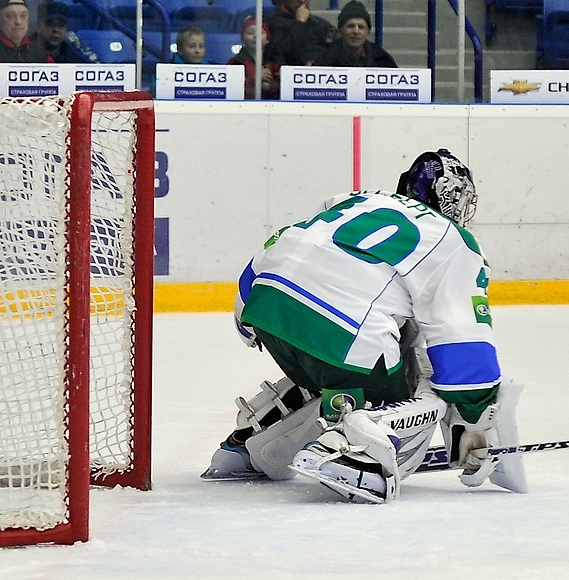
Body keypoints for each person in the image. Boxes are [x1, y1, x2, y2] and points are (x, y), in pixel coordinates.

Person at [201, 149, 527, 503]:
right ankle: (356, 446)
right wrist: (476, 418)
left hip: (266, 308)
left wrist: (252, 321)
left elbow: (286, 246)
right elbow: (460, 337)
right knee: (416, 367)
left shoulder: (355, 202)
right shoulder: (451, 240)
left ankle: (253, 445)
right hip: (343, 329)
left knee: (339, 371)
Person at [313, 0, 397, 67]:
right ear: (340, 31)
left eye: (361, 27)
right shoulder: (325, 60)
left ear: (368, 32)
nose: (356, 31)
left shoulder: (383, 60)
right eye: (351, 26)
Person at [266, 0, 334, 66]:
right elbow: (280, 54)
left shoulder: (322, 24)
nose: (302, 0)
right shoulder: (273, 23)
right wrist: (300, 23)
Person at [228, 17, 281, 99]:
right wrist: (254, 79)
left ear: (267, 39)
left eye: (260, 32)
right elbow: (232, 89)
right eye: (250, 33)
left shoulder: (275, 62)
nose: (256, 36)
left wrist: (270, 87)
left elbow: (285, 87)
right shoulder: (235, 62)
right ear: (242, 39)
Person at [33, 1, 99, 63]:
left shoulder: (73, 49)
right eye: (50, 24)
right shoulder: (25, 48)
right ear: (38, 26)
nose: (56, 29)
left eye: (61, 25)